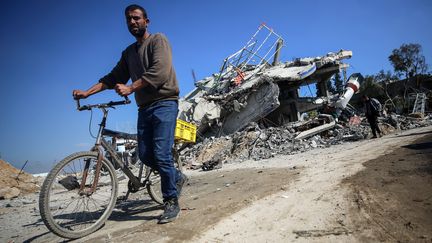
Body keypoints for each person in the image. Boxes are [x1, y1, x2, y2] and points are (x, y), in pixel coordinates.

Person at [72, 4, 187, 224]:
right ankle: (176, 176)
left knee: (161, 154)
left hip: (165, 103)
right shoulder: (128, 53)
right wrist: (87, 92)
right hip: (144, 108)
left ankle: (171, 201)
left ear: (146, 21)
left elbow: (160, 71)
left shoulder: (158, 40)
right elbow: (113, 77)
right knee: (144, 154)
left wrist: (131, 88)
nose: (132, 22)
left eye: (136, 18)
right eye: (128, 20)